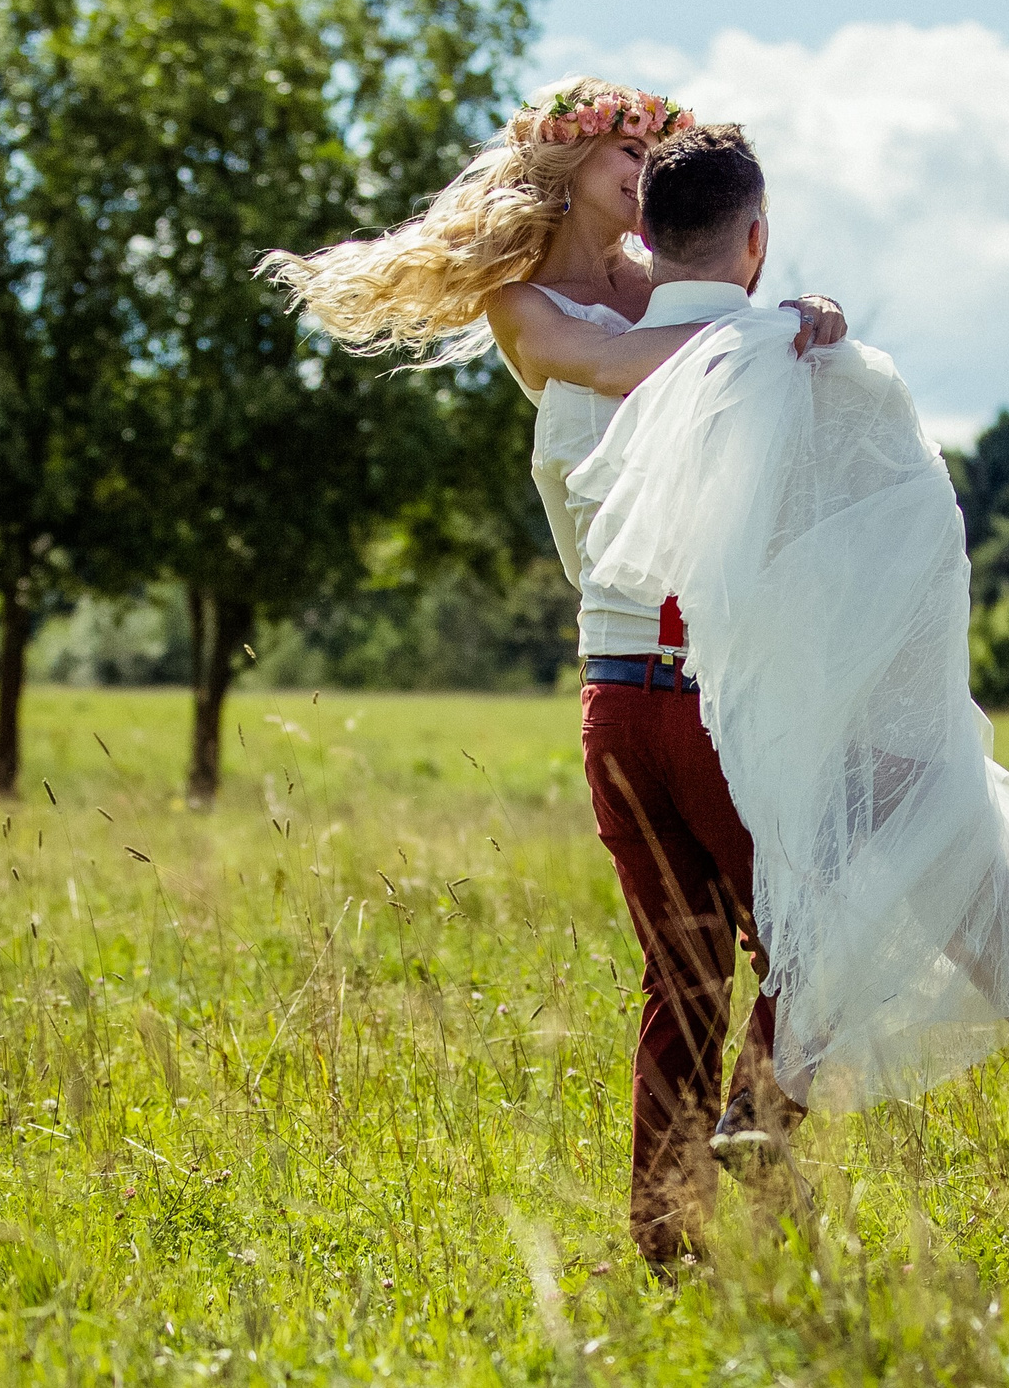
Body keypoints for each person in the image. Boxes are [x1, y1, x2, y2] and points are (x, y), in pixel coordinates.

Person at [262, 78, 843, 1262]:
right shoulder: (525, 309)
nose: (645, 169)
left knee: (703, 966)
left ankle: (682, 1230)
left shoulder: (669, 291)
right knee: (779, 942)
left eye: (653, 152)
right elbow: (645, 371)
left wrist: (801, 309)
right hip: (654, 684)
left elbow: (731, 339)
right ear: (564, 166)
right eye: (625, 152)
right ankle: (732, 1150)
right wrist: (766, 326)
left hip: (674, 679)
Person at [575, 124, 1009, 1163]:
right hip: (733, 700)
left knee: (697, 964)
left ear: (647, 239)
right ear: (756, 238)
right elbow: (918, 535)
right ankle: (792, 1107)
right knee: (888, 853)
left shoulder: (596, 357)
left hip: (618, 699)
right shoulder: (814, 361)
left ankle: (685, 1215)